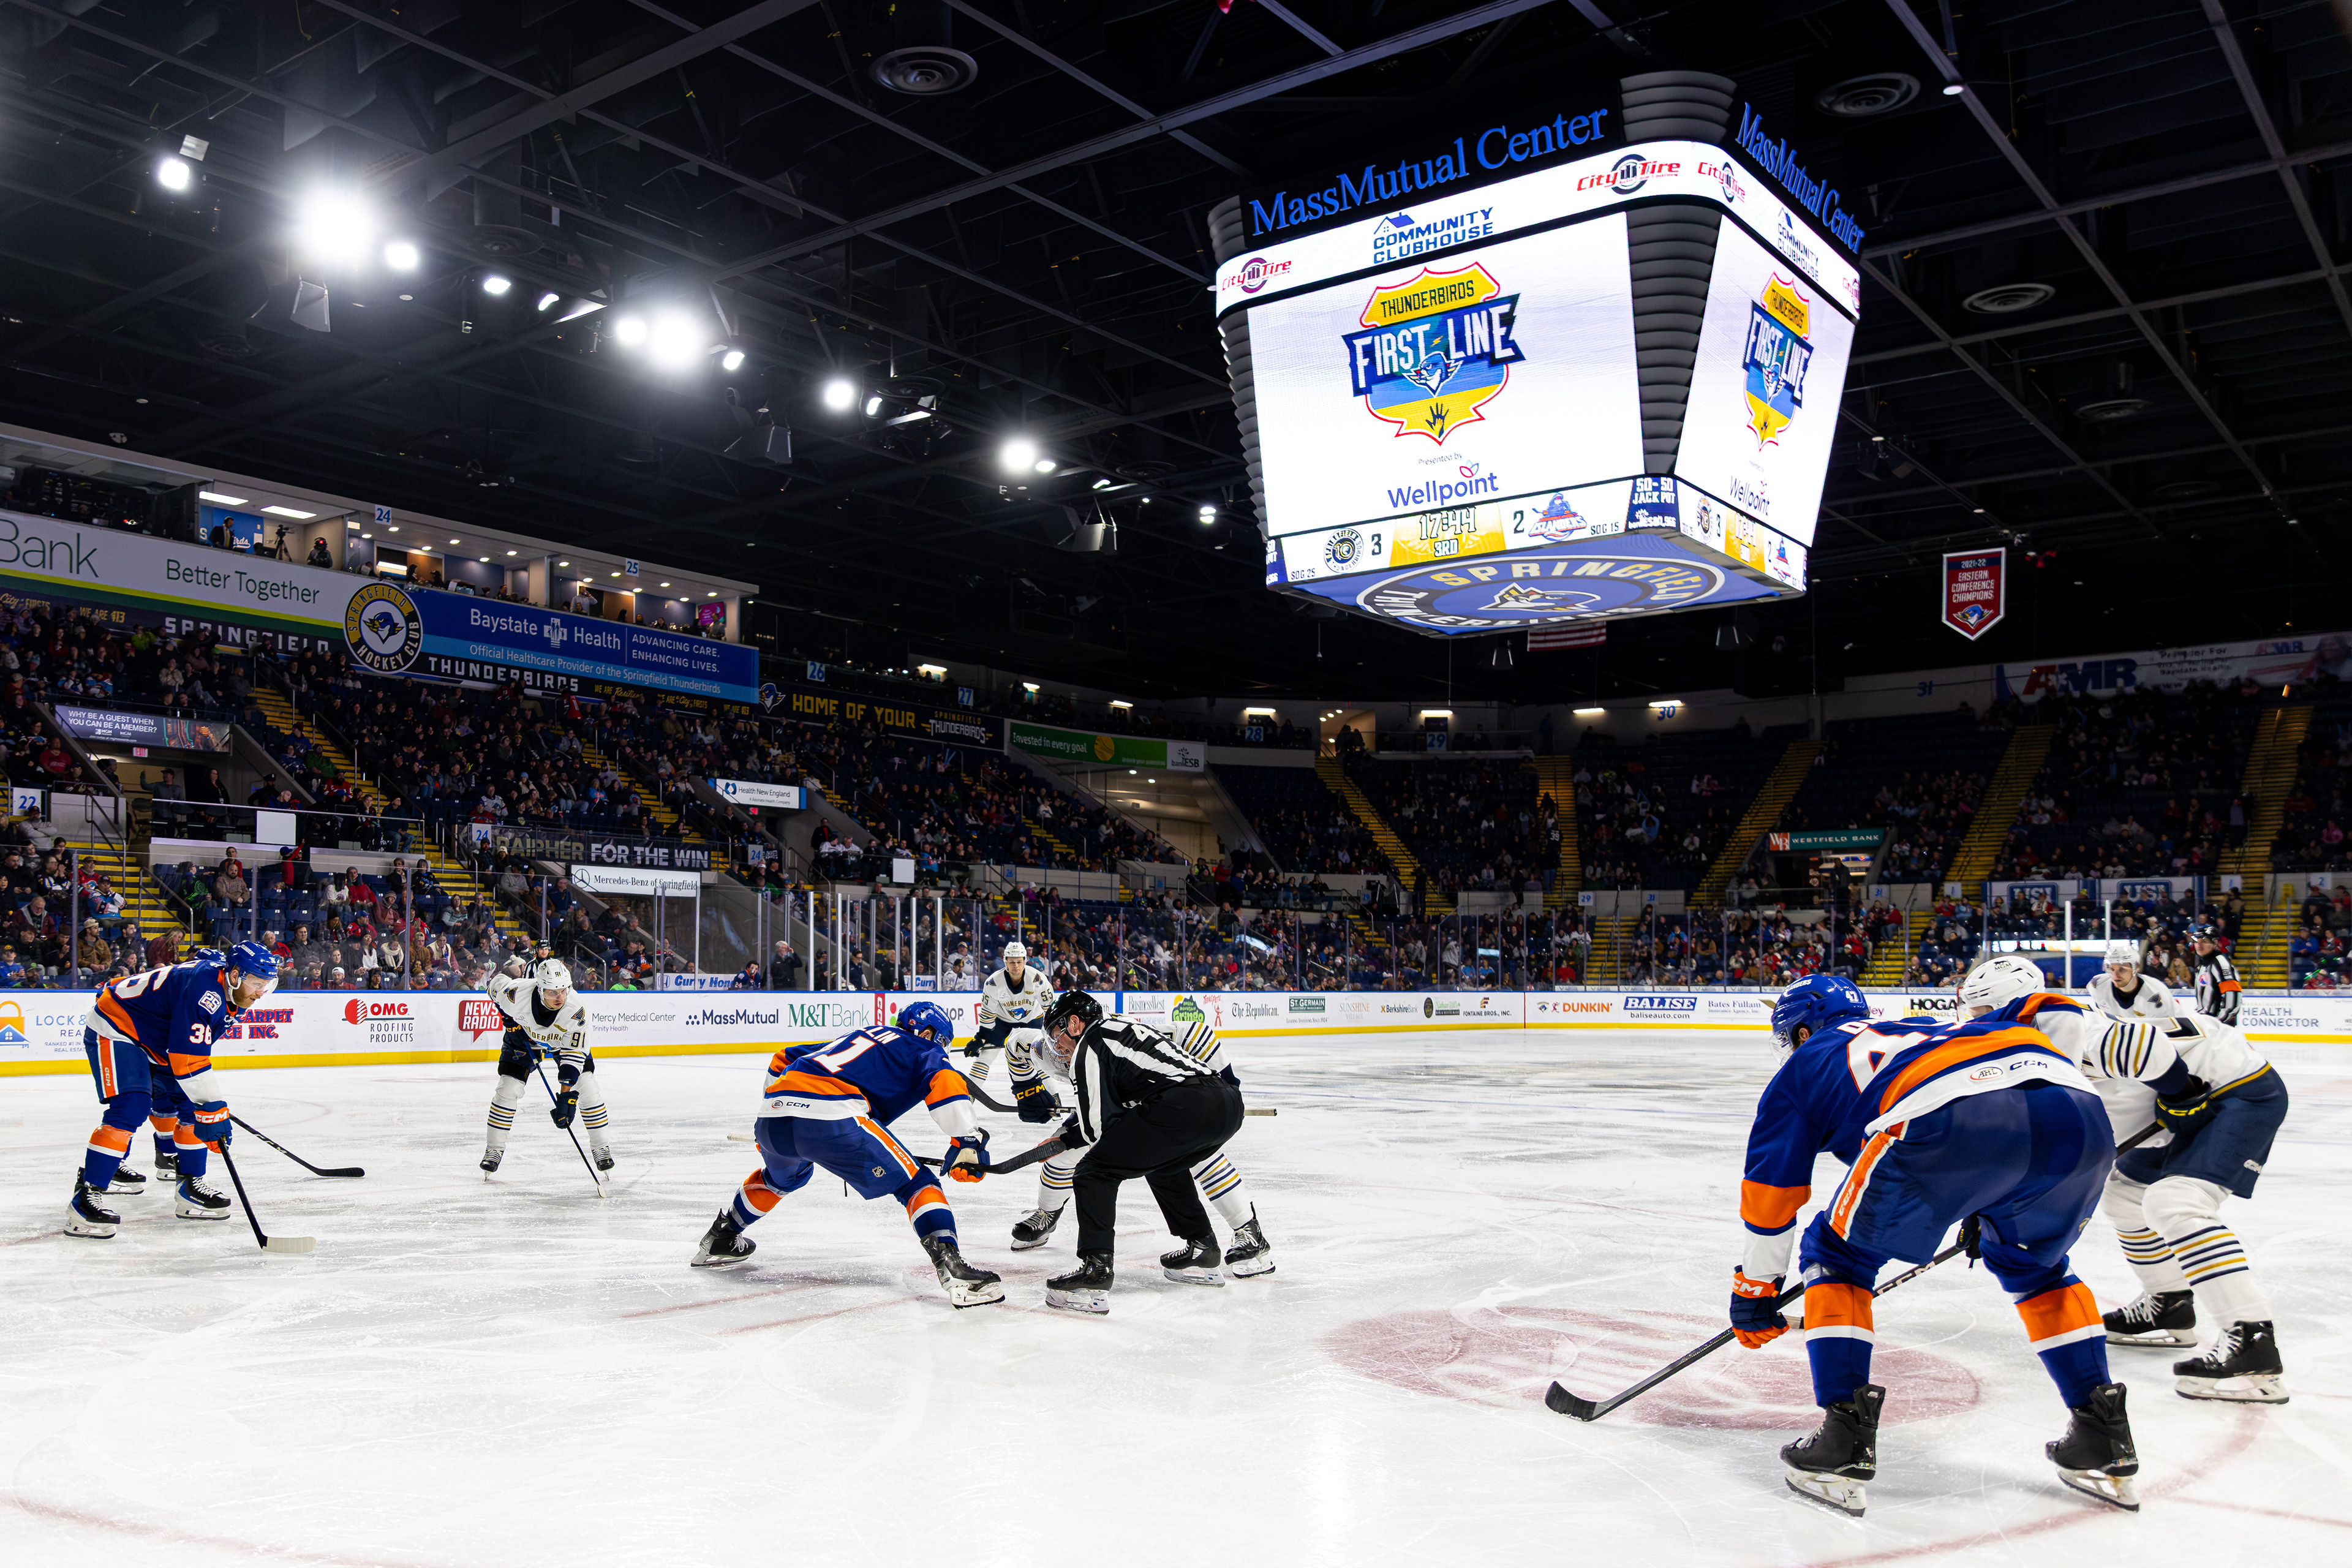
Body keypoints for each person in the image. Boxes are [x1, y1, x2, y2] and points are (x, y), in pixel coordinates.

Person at [1727, 971, 2137, 1517]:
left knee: (1837, 1255)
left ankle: (1844, 1442)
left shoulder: (1806, 1064)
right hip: (2078, 1112)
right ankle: (2102, 1437)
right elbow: (2053, 1006)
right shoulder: (1930, 1026)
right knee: (2038, 1267)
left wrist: (1755, 1291)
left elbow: (1772, 1196)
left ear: (1802, 1032)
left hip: (1947, 1113)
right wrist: (1983, 1193)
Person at [687, 1001, 1003, 1308]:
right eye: (942, 1041)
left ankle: (722, 1236)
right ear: (928, 1033)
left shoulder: (862, 1035)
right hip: (834, 1114)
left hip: (773, 1114)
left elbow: (783, 1058)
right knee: (916, 1183)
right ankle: (954, 1270)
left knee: (783, 1178)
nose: (941, 1048)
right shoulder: (923, 1048)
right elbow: (946, 1080)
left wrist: (772, 1111)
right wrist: (967, 1141)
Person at [1003, 999, 1273, 1276]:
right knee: (1066, 1157)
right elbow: (1014, 1044)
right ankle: (1047, 1213)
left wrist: (1226, 1080)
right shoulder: (1045, 1047)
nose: (1059, 1050)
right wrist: (1027, 1089)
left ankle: (1247, 1228)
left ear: (1075, 1024)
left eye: (1058, 1039)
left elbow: (1196, 1032)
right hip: (1115, 1100)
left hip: (1167, 1098)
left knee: (1194, 1156)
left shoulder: (1109, 1033)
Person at [66, 941, 279, 1237]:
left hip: (157, 1040)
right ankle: (87, 1195)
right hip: (117, 1027)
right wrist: (214, 1107)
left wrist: (206, 1108)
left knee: (193, 1109)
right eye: (257, 983)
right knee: (132, 1107)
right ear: (234, 975)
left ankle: (191, 1186)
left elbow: (189, 1051)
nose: (261, 992)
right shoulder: (206, 992)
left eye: (267, 985)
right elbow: (190, 1059)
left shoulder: (232, 994)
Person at [479, 956, 612, 1174]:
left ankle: (601, 1148)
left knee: (588, 1087)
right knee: (507, 1090)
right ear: (540, 989)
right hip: (523, 1040)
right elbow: (494, 985)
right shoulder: (516, 994)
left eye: (564, 990)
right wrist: (508, 1018)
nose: (559, 997)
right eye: (552, 992)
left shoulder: (577, 1011)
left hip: (562, 1045)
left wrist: (566, 1098)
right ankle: (494, 1150)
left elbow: (573, 1057)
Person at [967, 939, 1051, 1084]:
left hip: (1032, 1019)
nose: (1016, 965)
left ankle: (1054, 1095)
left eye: (1019, 961)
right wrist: (981, 1038)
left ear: (1025, 961)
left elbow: (1050, 1009)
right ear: (1005, 961)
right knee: (984, 1056)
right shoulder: (993, 983)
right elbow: (988, 1015)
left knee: (1040, 1057)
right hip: (1003, 1020)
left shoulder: (1038, 979)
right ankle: (970, 1094)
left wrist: (1053, 1033)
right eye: (1012, 962)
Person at [2087, 940, 2177, 1019]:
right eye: (2112, 969)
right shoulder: (2097, 985)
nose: (2115, 975)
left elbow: (2165, 1031)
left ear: (2136, 967)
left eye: (2122, 970)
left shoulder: (2156, 995)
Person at [2188, 925, 2240, 1025]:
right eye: (2196, 942)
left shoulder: (2221, 964)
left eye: (2204, 941)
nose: (2199, 945)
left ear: (2215, 943)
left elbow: (2232, 997)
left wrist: (2217, 1022)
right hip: (2206, 1024)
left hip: (2218, 1027)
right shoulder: (2202, 966)